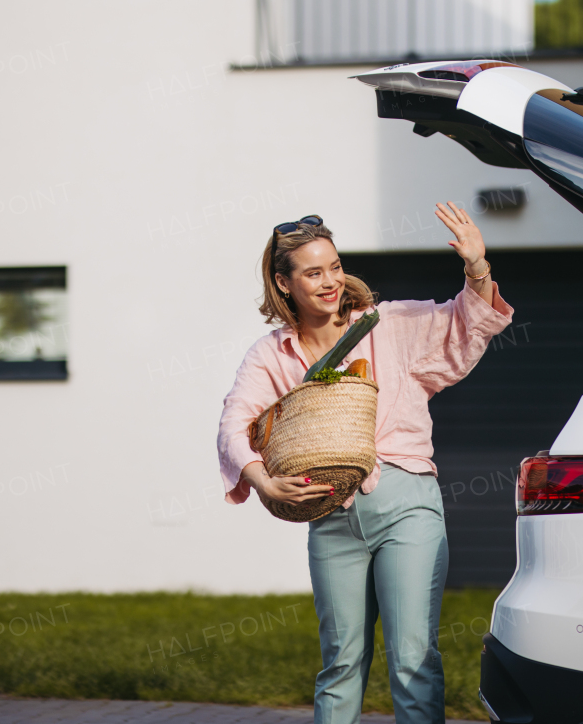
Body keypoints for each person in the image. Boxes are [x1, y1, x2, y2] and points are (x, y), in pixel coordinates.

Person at [216, 202, 513, 724]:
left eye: (334, 266)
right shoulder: (271, 354)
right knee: (340, 663)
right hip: (329, 516)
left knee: (412, 660)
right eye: (313, 273)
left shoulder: (389, 324)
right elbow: (233, 423)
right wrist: (264, 483)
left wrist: (477, 267)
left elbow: (469, 322)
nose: (330, 281)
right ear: (284, 284)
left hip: (406, 507)